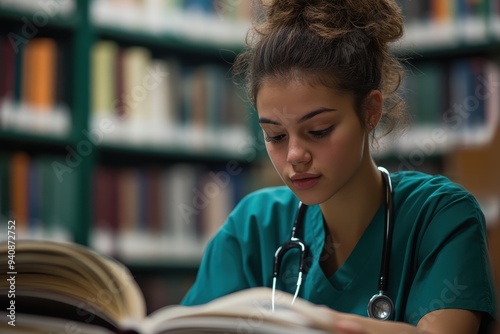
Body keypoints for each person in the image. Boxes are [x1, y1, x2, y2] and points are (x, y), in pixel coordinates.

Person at [181, 0, 497, 333]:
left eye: (318, 131)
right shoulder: (253, 227)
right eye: (275, 136)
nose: (295, 155)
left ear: (370, 111)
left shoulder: (440, 215)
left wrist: (312, 322)